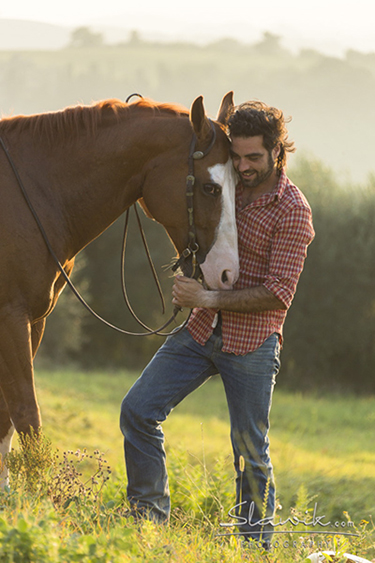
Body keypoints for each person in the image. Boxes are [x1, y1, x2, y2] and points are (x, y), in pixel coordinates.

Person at [120, 100, 315, 544]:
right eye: (239, 156)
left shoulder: (292, 210)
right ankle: (147, 522)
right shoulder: (226, 181)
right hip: (200, 331)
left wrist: (205, 296)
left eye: (253, 159)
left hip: (252, 344)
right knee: (137, 410)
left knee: (250, 452)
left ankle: (253, 548)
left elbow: (279, 292)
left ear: (277, 153)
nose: (243, 167)